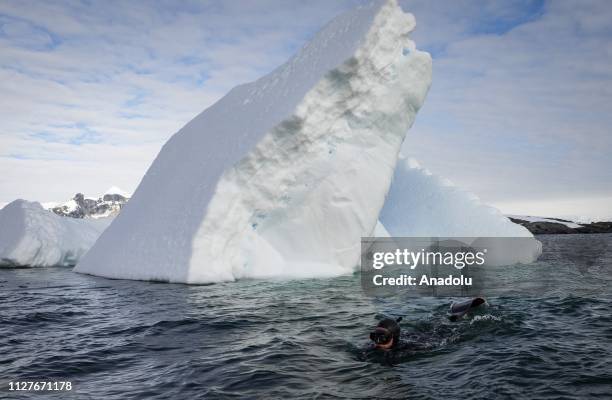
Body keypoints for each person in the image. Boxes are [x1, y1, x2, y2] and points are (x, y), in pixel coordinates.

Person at [369, 297, 487, 350]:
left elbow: (438, 344)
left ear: (393, 338)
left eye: (382, 338)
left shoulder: (411, 348)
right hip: (415, 334)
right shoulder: (374, 347)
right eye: (375, 337)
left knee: (445, 325)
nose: (377, 342)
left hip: (432, 337)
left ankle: (457, 315)